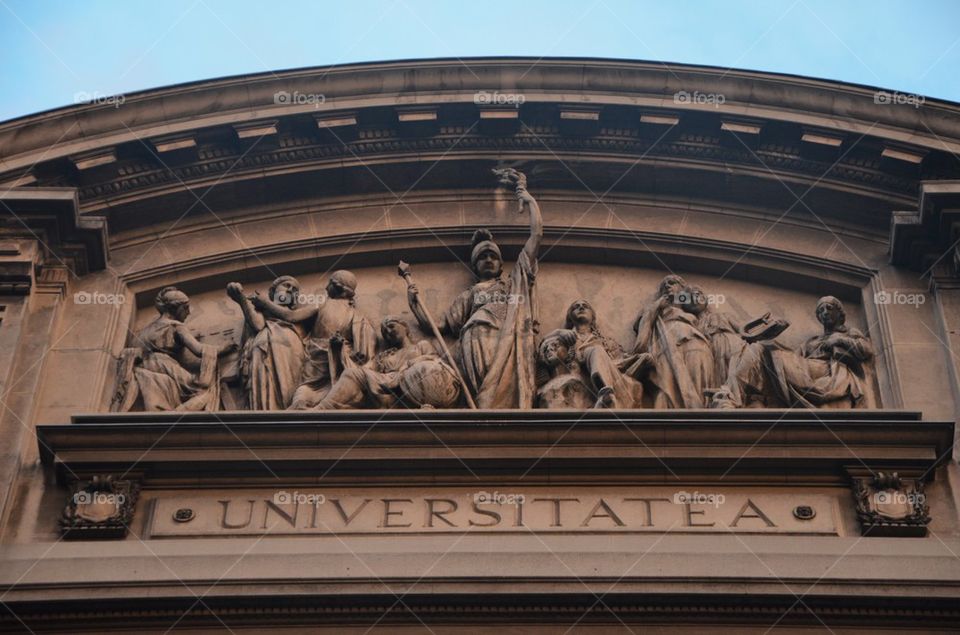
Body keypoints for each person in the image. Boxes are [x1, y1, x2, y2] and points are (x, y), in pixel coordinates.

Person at [407, 168, 542, 409]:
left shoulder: (514, 284)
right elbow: (437, 326)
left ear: (501, 265)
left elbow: (536, 237)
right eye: (482, 257)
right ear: (475, 266)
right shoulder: (468, 295)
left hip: (505, 338)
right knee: (483, 398)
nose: (488, 260)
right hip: (473, 340)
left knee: (496, 399)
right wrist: (414, 303)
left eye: (493, 256)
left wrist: (527, 198)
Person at [717, 296, 874, 408]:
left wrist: (838, 340)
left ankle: (735, 397)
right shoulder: (811, 341)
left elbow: (865, 349)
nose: (825, 312)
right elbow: (795, 358)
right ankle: (731, 396)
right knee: (755, 348)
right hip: (804, 369)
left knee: (764, 349)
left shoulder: (849, 332)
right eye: (821, 310)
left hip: (825, 372)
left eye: (829, 308)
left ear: (840, 313)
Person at [252, 270, 376, 409]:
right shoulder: (327, 307)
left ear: (337, 287)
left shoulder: (355, 317)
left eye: (329, 284)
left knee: (304, 403)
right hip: (313, 373)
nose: (325, 287)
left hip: (337, 372)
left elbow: (292, 316)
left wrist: (264, 303)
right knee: (299, 401)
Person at [111, 287, 234, 412]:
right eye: (186, 308)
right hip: (165, 366)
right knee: (203, 389)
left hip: (143, 367)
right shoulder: (176, 326)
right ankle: (180, 413)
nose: (188, 312)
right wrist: (224, 347)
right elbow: (198, 350)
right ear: (178, 308)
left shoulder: (144, 331)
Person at [314, 316, 461, 409]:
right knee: (352, 374)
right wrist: (339, 350)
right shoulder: (384, 357)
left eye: (391, 326)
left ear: (405, 328)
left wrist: (409, 365)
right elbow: (359, 372)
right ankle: (323, 409)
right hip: (387, 385)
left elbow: (436, 363)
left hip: (414, 384)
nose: (388, 332)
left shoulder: (421, 346)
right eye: (384, 332)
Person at [633, 275, 715, 408]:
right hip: (665, 346)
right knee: (664, 384)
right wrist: (657, 306)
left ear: (683, 289)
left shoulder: (693, 309)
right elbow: (640, 324)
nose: (667, 286)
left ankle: (699, 418)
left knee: (698, 386)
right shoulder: (655, 308)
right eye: (663, 286)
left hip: (696, 345)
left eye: (672, 283)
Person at [227, 276, 308, 410]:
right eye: (286, 285)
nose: (290, 290)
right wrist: (241, 298)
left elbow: (290, 316)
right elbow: (258, 325)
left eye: (294, 290)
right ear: (273, 291)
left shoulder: (300, 313)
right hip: (264, 350)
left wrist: (265, 303)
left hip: (291, 352)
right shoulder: (261, 311)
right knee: (266, 392)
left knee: (290, 388)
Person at [563, 299, 647, 408]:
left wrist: (638, 358)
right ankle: (604, 391)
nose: (581, 308)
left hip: (613, 377)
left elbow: (620, 362)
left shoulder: (607, 343)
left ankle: (606, 393)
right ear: (570, 317)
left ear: (592, 317)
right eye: (576, 307)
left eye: (585, 306)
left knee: (597, 350)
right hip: (582, 379)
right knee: (595, 349)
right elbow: (548, 350)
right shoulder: (565, 338)